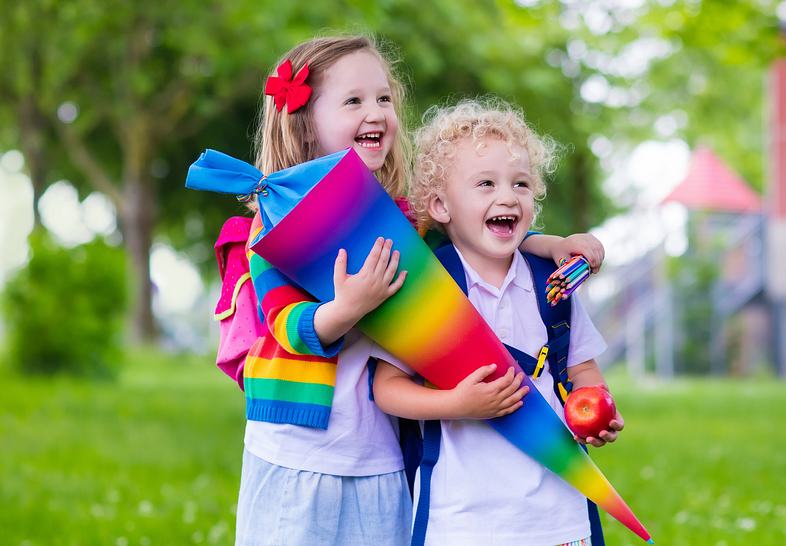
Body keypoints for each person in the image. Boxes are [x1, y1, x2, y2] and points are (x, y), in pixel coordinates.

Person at [222, 36, 606, 545]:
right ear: (305, 123)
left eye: (383, 99)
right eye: (354, 101)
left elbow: (473, 229)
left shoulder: (401, 215)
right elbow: (285, 323)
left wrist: (552, 242)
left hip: (380, 448)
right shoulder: (274, 220)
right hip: (300, 448)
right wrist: (346, 310)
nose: (376, 112)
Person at [373, 99, 623, 546]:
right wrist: (457, 404)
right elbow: (386, 388)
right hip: (464, 519)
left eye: (521, 184)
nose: (507, 196)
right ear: (441, 206)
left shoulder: (552, 283)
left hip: (558, 512)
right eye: (485, 184)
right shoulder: (428, 289)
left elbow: (581, 367)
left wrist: (597, 405)